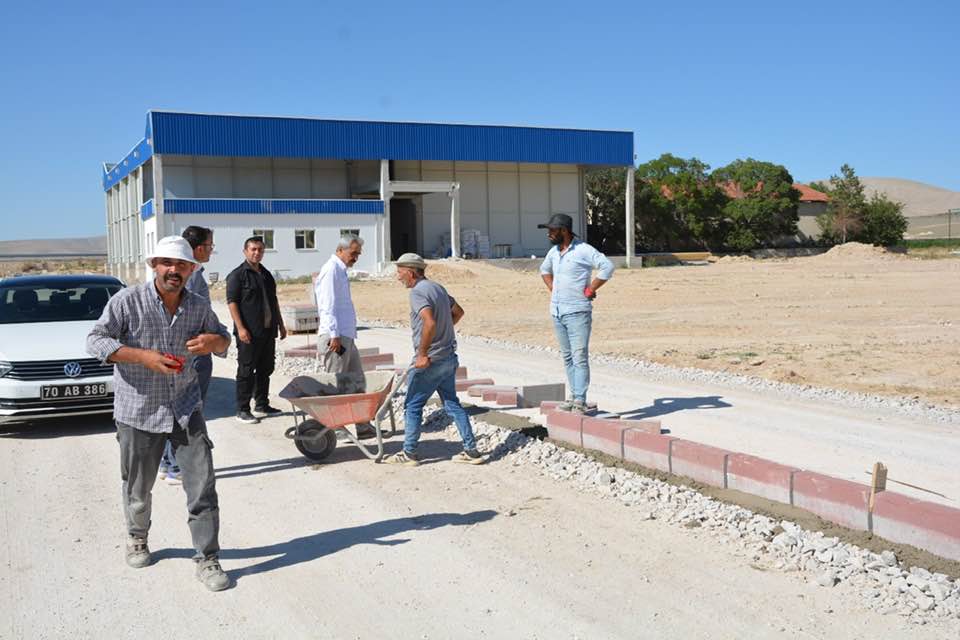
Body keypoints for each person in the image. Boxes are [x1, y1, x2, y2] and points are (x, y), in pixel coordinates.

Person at [86, 235, 232, 591]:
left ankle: (207, 558)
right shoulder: (127, 302)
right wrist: (142, 357)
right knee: (138, 487)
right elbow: (96, 340)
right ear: (154, 265)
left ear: (191, 269)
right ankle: (137, 537)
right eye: (167, 263)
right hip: (139, 410)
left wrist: (215, 342)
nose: (174, 270)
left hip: (185, 407)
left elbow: (223, 338)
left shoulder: (198, 306)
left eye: (181, 264)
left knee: (202, 487)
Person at [383, 253, 484, 467]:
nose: (398, 277)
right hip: (448, 357)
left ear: (411, 272)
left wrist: (422, 353)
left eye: (400, 272)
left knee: (412, 405)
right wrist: (442, 333)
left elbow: (429, 323)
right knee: (452, 403)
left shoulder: (418, 292)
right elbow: (458, 312)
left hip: (430, 361)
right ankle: (471, 450)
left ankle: (409, 453)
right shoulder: (437, 288)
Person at [538, 213, 615, 414]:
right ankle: (573, 396)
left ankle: (580, 400)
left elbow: (607, 267)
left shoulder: (583, 250)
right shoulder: (554, 252)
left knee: (579, 356)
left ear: (564, 230)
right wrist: (553, 288)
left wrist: (591, 288)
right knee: (567, 357)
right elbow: (544, 270)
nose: (548, 234)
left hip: (577, 311)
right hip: (557, 311)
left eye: (552, 230)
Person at [159, 225, 216, 486]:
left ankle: (166, 461)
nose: (212, 250)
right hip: (192, 355)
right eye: (210, 245)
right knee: (186, 410)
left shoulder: (193, 275)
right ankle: (175, 465)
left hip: (189, 352)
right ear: (199, 248)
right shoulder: (189, 277)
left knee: (178, 408)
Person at [314, 234, 376, 439]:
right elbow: (327, 306)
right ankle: (336, 428)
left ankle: (363, 426)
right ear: (340, 250)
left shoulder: (340, 270)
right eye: (353, 253)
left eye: (358, 254)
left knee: (357, 381)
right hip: (336, 338)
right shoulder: (331, 270)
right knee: (337, 384)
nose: (356, 257)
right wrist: (334, 335)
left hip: (345, 336)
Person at [226, 236, 287, 424]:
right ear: (245, 251)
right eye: (253, 249)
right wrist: (241, 328)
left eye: (260, 249)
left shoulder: (266, 275)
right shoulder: (237, 275)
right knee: (246, 370)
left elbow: (274, 301)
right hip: (249, 333)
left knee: (265, 368)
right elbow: (232, 303)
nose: (257, 252)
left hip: (267, 331)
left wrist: (281, 324)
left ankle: (262, 404)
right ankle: (242, 409)